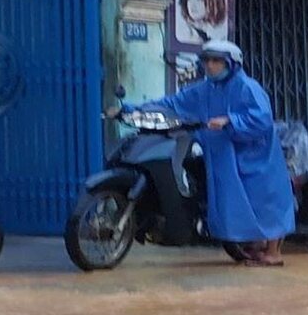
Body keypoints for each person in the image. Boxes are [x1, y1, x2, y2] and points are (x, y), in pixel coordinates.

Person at [122, 40, 294, 266]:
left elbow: (262, 118)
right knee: (239, 202)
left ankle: (273, 253)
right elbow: (172, 103)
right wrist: (130, 109)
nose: (210, 66)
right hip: (223, 154)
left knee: (266, 201)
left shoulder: (248, 87)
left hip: (255, 155)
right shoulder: (204, 90)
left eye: (217, 61)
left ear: (231, 64)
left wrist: (230, 120)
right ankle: (254, 244)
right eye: (207, 60)